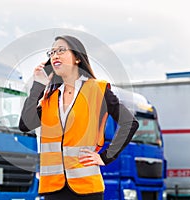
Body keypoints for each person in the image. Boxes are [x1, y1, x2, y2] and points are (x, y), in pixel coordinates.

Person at [19, 35, 139, 200]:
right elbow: (25, 124)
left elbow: (129, 123)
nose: (55, 56)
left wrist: (106, 157)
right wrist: (38, 85)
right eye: (52, 52)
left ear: (77, 58)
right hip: (53, 188)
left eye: (61, 50)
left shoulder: (97, 89)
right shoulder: (50, 97)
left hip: (87, 188)